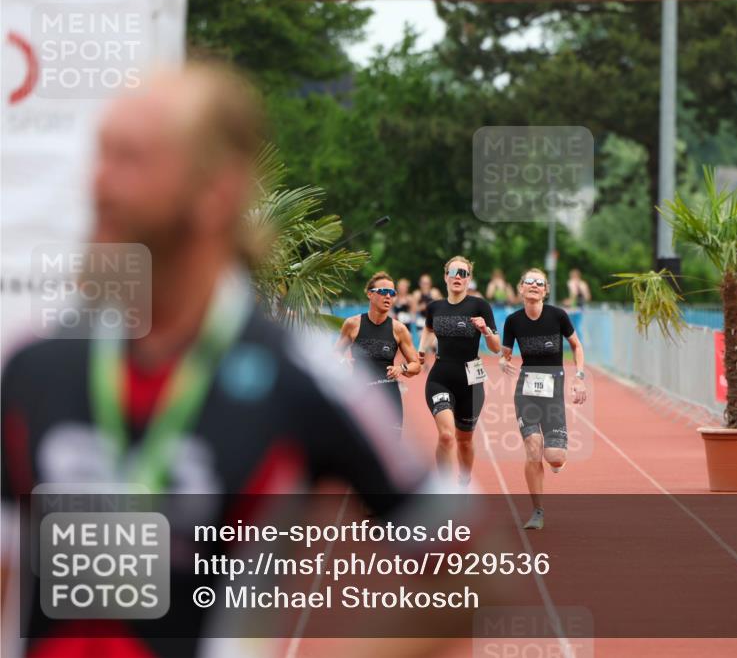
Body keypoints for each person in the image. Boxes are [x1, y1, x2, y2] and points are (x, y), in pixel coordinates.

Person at [0, 64, 452, 658]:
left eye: (130, 159)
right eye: (101, 155)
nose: (99, 184)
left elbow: (467, 567)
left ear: (215, 192)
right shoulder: (34, 362)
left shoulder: (302, 379)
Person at [502, 268, 587, 530]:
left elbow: (576, 346)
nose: (534, 285)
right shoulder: (513, 321)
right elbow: (504, 353)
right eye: (529, 281)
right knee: (532, 447)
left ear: (545, 290)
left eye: (540, 283)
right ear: (521, 288)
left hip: (553, 390)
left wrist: (579, 376)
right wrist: (503, 362)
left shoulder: (558, 316)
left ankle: (557, 459)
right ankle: (537, 511)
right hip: (526, 389)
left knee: (555, 457)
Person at [418, 256, 500, 485]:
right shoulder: (435, 307)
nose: (458, 276)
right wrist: (421, 350)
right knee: (446, 436)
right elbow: (428, 328)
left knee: (464, 440)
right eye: (454, 272)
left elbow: (495, 348)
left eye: (463, 273)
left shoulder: (480, 306)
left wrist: (485, 330)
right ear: (445, 277)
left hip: (471, 381)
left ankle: (464, 480)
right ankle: (444, 489)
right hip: (440, 377)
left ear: (468, 279)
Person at [335, 271, 421, 436]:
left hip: (389, 397)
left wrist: (401, 368)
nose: (388, 296)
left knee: (390, 451)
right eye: (383, 291)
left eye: (392, 293)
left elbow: (416, 365)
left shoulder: (399, 329)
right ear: (370, 294)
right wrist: (342, 363)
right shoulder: (352, 324)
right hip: (359, 395)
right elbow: (335, 354)